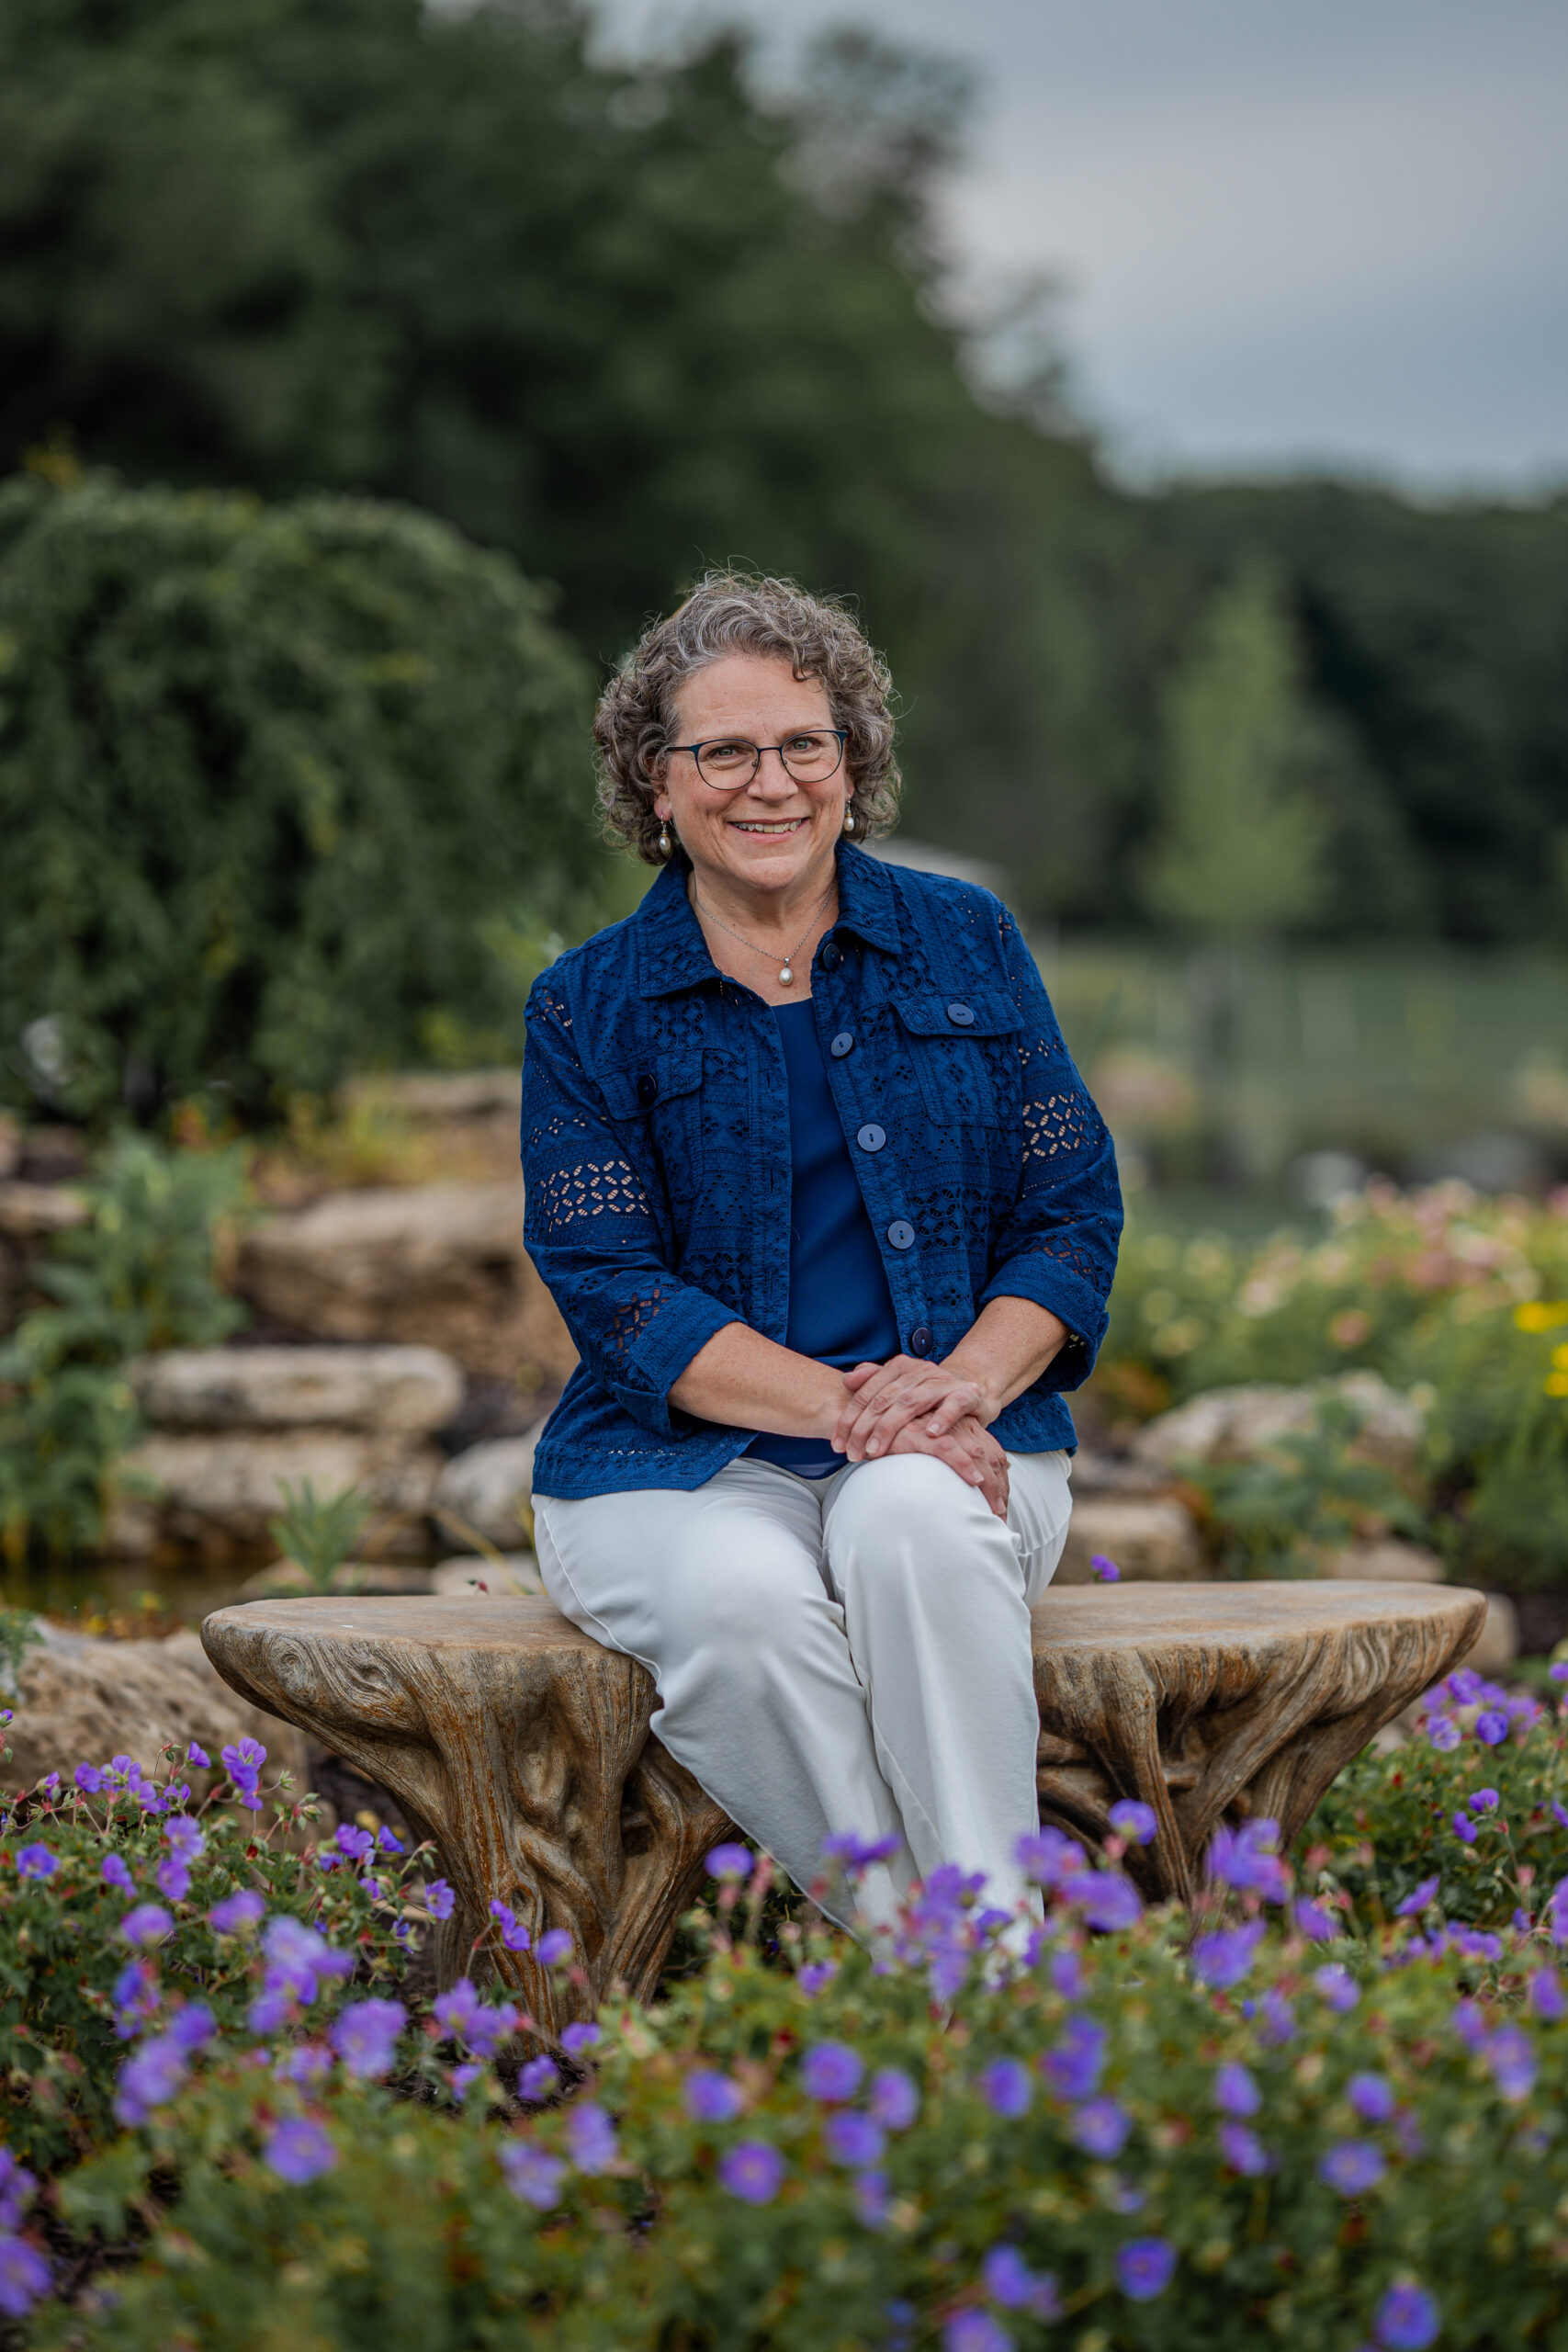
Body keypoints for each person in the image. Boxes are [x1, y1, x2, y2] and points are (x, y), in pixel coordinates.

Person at [522, 572, 1121, 1930]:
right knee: (736, 1607)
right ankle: (972, 1979)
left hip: (960, 1435)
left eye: (804, 742)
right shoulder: (588, 1007)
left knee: (912, 1519)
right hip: (679, 1469)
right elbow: (614, 1293)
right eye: (721, 751)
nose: (769, 781)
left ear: (851, 763)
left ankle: (978, 1981)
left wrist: (960, 1386)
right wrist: (861, 1411)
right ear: (654, 786)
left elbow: (1072, 1210)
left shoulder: (967, 943)